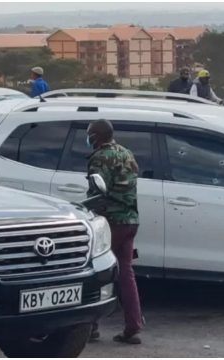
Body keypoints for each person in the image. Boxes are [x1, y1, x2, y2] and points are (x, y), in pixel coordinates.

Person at [86, 119, 143, 345]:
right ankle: (133, 326)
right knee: (126, 273)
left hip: (111, 221)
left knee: (97, 271)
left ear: (97, 136)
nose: (88, 138)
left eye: (90, 134)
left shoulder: (100, 158)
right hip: (130, 220)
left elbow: (98, 193)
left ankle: (90, 327)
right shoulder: (126, 153)